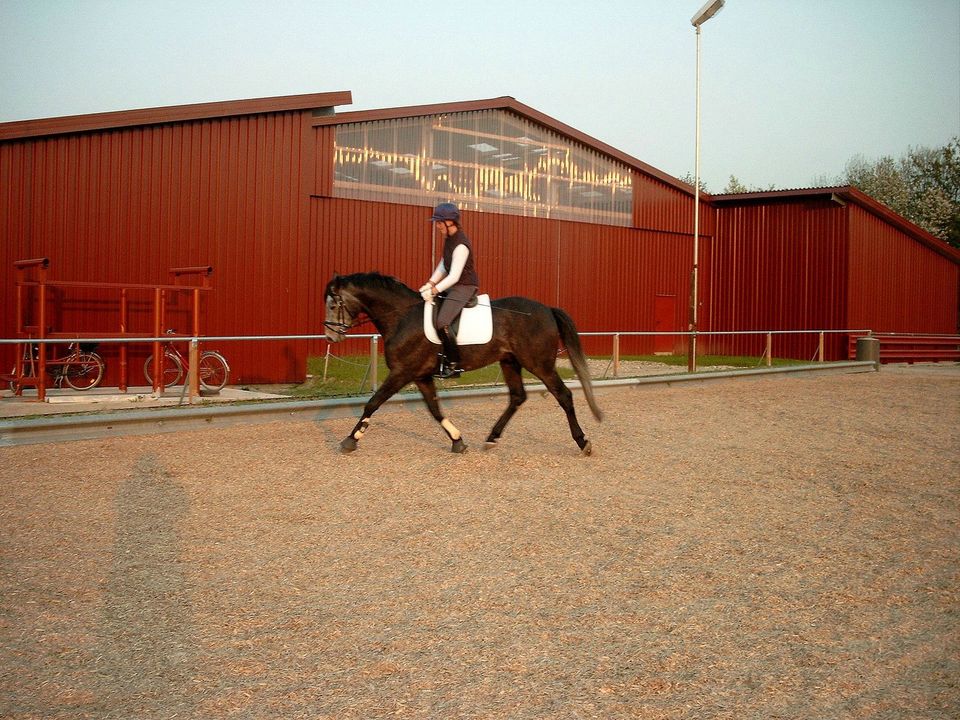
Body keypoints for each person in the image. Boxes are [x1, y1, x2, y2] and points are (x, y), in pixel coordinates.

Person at [419, 202, 479, 379]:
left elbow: (454, 276)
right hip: (455, 285)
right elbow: (444, 265)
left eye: (439, 222)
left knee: (442, 322)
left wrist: (434, 290)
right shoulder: (450, 240)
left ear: (450, 222)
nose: (437, 226)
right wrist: (430, 283)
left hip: (465, 286)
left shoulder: (461, 245)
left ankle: (453, 363)